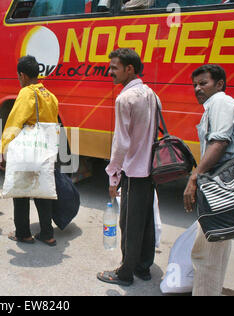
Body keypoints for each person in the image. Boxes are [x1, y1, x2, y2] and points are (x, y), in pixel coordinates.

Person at [183, 64, 234, 296]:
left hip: (220, 187)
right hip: (226, 186)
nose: (197, 89)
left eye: (203, 83)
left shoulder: (220, 101)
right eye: (195, 85)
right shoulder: (218, 103)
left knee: (205, 252)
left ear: (219, 84)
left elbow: (219, 142)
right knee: (219, 241)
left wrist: (194, 177)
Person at [97, 48, 159, 286]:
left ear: (129, 69)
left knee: (129, 224)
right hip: (150, 168)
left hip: (134, 170)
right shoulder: (151, 93)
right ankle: (143, 267)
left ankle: (125, 273)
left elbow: (121, 143)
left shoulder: (124, 98)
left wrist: (113, 176)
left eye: (114, 67)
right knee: (145, 220)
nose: (110, 71)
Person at [0, 55, 59, 247]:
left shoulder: (26, 93)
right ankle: (47, 234)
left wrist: (3, 150)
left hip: (27, 151)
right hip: (45, 150)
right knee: (42, 191)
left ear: (22, 75)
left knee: (21, 191)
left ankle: (23, 233)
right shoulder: (50, 95)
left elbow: (14, 123)